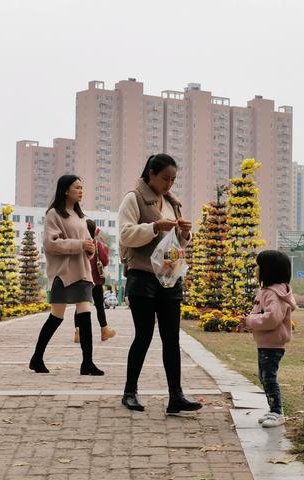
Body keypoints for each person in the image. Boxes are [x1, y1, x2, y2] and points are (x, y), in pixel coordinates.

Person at [118, 153, 202, 414]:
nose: (169, 184)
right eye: (165, 178)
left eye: (173, 179)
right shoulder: (134, 198)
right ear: (151, 174)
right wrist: (154, 227)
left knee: (171, 338)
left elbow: (178, 242)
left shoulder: (172, 203)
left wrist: (184, 233)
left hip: (169, 275)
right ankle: (130, 392)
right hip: (142, 276)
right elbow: (125, 235)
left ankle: (176, 396)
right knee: (143, 335)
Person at [29, 175, 104, 376]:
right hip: (64, 274)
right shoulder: (54, 214)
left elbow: (88, 242)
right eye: (77, 187)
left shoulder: (80, 216)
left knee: (85, 314)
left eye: (82, 187)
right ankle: (37, 358)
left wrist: (89, 247)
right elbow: (50, 244)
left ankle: (87, 362)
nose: (81, 191)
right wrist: (80, 245)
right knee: (57, 316)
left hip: (82, 273)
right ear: (65, 190)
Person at [241, 250, 296, 428]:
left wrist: (250, 321)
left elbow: (272, 318)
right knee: (264, 376)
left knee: (269, 378)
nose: (256, 269)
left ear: (269, 270)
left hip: (272, 343)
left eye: (259, 266)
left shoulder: (273, 294)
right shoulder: (265, 291)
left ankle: (277, 412)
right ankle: (273, 408)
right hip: (265, 342)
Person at [74, 220, 116, 343]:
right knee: (99, 306)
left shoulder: (79, 244)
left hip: (82, 279)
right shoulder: (96, 244)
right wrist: (104, 247)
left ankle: (78, 332)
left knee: (80, 306)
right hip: (96, 281)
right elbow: (105, 261)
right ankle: (104, 331)